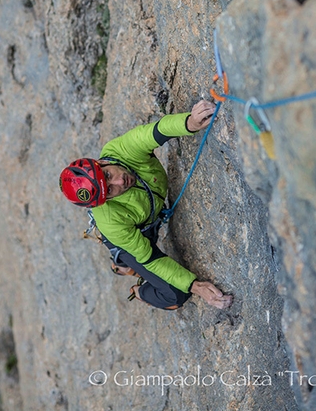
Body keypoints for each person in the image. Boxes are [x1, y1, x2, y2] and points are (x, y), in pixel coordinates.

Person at [59, 100, 233, 311]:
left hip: (144, 219)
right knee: (176, 296)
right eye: (111, 191)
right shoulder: (110, 220)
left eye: (108, 175)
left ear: (102, 162)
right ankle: (139, 289)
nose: (120, 182)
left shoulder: (119, 151)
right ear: (105, 200)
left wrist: (190, 123)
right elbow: (150, 258)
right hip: (131, 235)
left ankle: (124, 267)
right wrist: (195, 286)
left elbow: (156, 132)